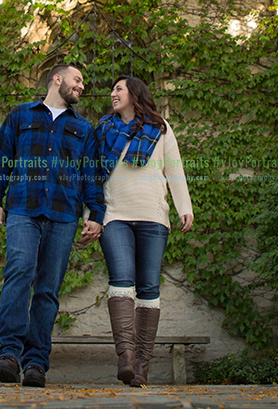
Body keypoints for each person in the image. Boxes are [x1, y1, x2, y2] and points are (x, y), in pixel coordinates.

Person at [0, 63, 104, 388]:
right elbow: (1, 158)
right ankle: (8, 356)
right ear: (57, 78)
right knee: (19, 272)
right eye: (77, 80)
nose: (81, 86)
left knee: (48, 288)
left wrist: (96, 214)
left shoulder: (84, 128)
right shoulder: (20, 115)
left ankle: (36, 363)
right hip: (23, 207)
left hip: (64, 214)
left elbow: (90, 174)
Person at [96, 75, 193, 387]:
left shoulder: (161, 128)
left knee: (148, 287)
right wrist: (90, 215)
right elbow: (93, 175)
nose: (113, 94)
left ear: (134, 94)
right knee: (121, 281)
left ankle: (141, 366)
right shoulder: (104, 128)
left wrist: (184, 207)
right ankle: (125, 357)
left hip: (152, 217)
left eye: (118, 89)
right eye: (112, 89)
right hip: (114, 216)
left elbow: (174, 168)